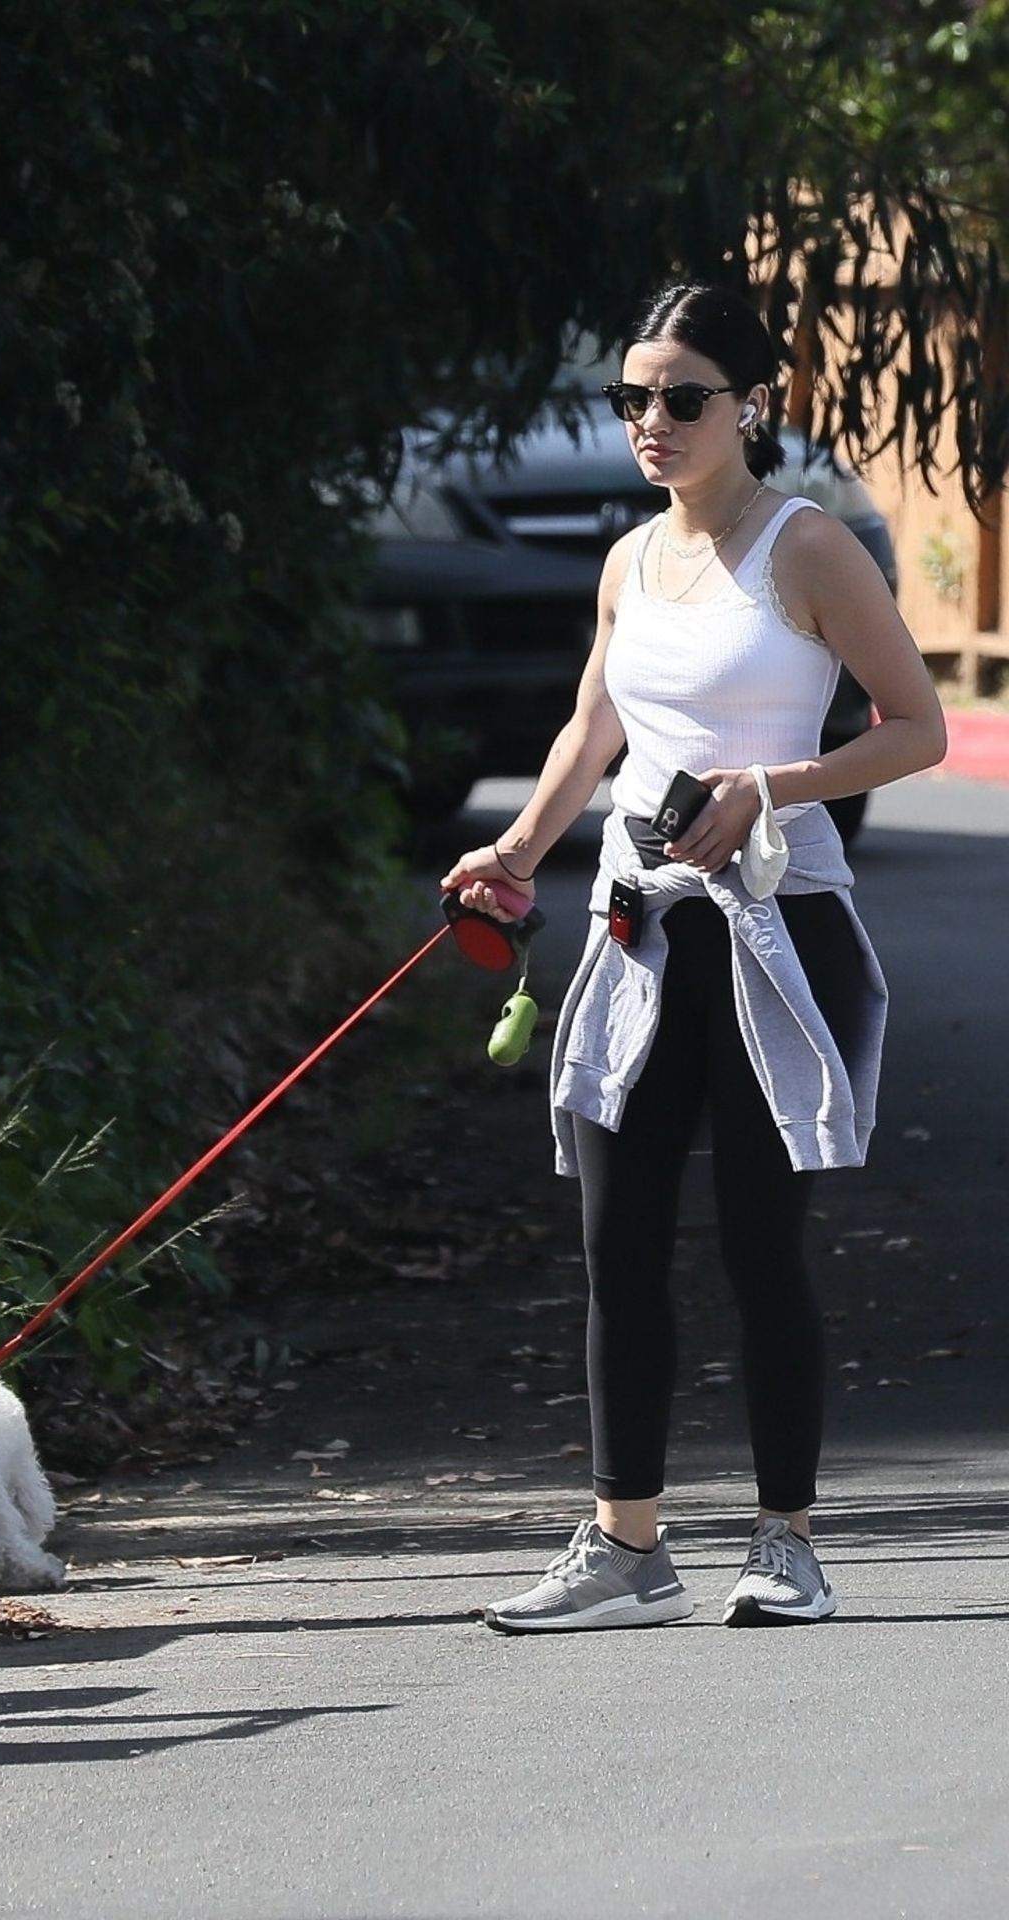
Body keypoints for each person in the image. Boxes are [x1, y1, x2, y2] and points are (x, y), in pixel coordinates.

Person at [441, 282, 946, 1632]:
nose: (651, 425)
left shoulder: (810, 547)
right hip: (639, 931)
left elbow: (918, 730)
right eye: (633, 401)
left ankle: (787, 1539)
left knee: (762, 1244)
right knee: (618, 1241)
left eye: (683, 399)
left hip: (777, 933)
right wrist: (521, 850)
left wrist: (771, 788)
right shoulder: (629, 561)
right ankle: (627, 1544)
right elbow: (590, 731)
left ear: (754, 407)